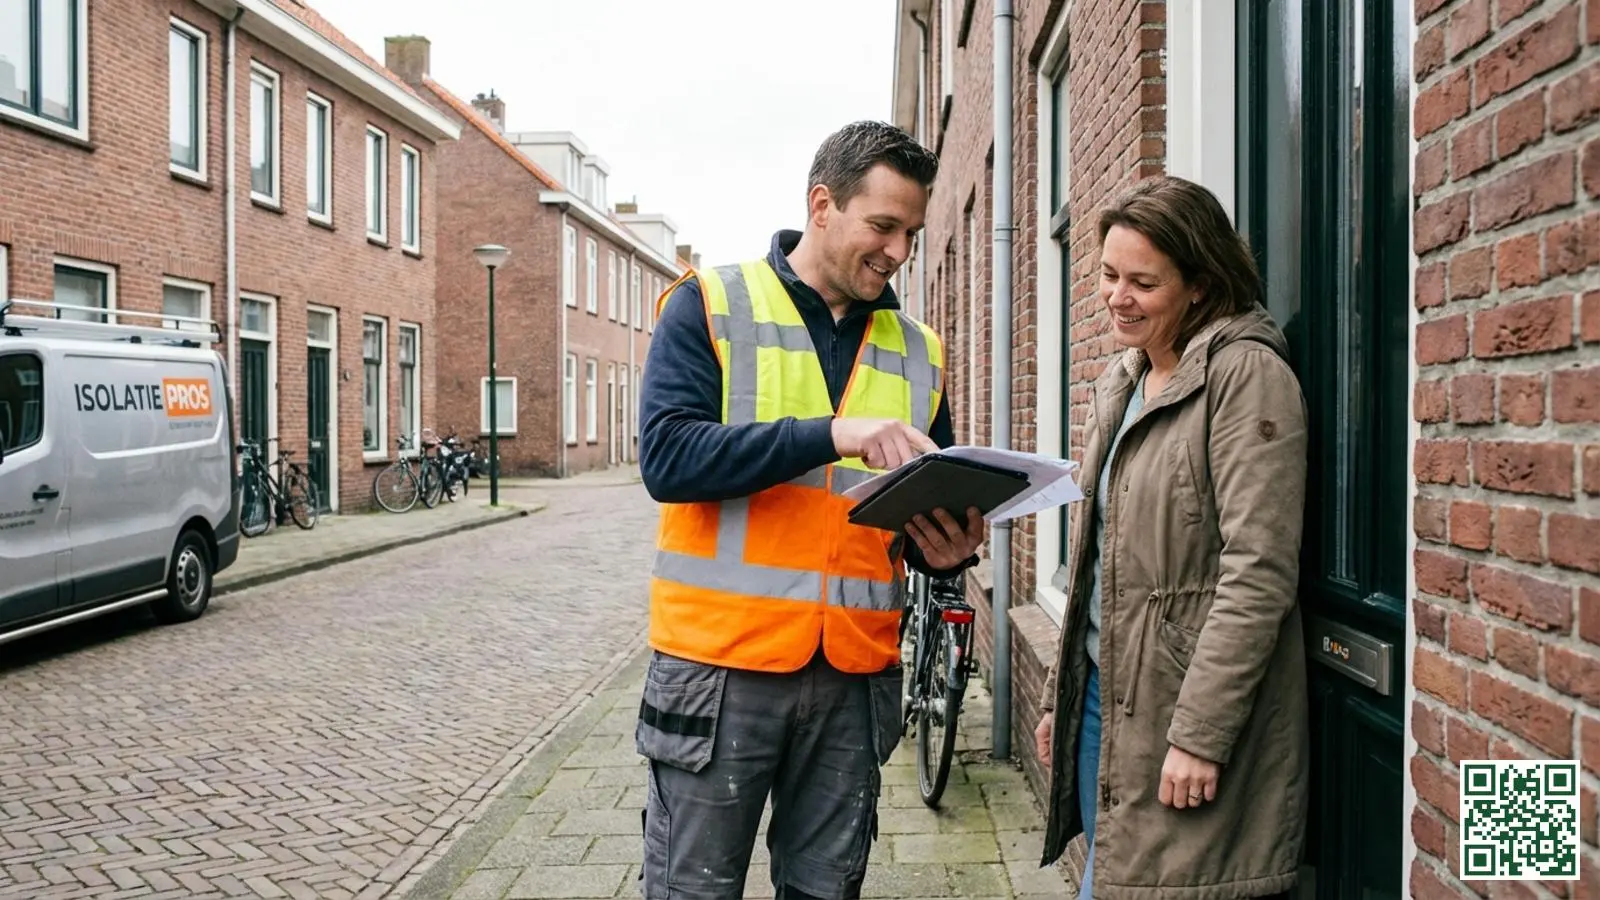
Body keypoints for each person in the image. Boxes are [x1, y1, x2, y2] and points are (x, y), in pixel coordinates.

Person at [634, 120, 986, 900]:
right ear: (822, 205)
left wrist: (948, 547)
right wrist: (831, 433)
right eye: (884, 226)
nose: (899, 252)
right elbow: (668, 459)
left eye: (912, 234)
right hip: (720, 671)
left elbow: (924, 502)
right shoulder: (708, 306)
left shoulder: (920, 349)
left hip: (856, 676)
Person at [1032, 175, 1311, 900]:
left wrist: (1199, 734)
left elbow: (1258, 572)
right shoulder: (1122, 381)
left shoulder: (1245, 376)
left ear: (1198, 285)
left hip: (1178, 711)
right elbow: (1098, 564)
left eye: (1143, 282)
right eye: (1108, 274)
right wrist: (1059, 703)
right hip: (1103, 700)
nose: (1117, 296)